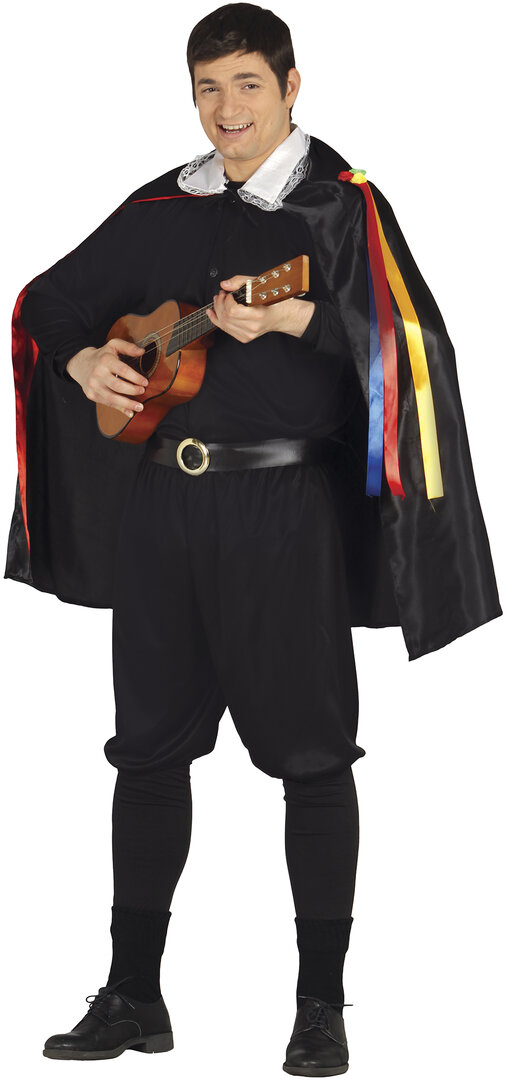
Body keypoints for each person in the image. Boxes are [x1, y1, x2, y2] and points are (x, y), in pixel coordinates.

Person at [5, 2, 501, 1074]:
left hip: (285, 514)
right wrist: (83, 361)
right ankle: (132, 995)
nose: (226, 110)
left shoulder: (341, 205)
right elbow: (48, 301)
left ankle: (319, 1009)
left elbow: (413, 348)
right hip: (162, 513)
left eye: (246, 85)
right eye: (207, 88)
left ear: (289, 87)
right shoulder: (162, 204)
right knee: (144, 753)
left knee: (312, 760)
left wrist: (295, 317)